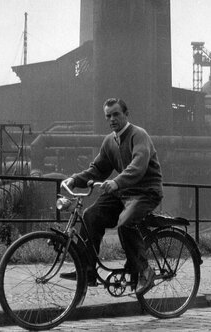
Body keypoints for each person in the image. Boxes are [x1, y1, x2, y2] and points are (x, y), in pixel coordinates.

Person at [60, 98, 163, 295]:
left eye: (116, 114)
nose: (112, 119)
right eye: (108, 116)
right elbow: (98, 169)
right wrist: (74, 179)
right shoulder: (110, 141)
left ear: (126, 114)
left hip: (146, 192)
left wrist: (116, 182)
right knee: (91, 216)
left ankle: (144, 272)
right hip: (123, 192)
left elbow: (138, 165)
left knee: (126, 223)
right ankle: (87, 270)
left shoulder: (138, 135)